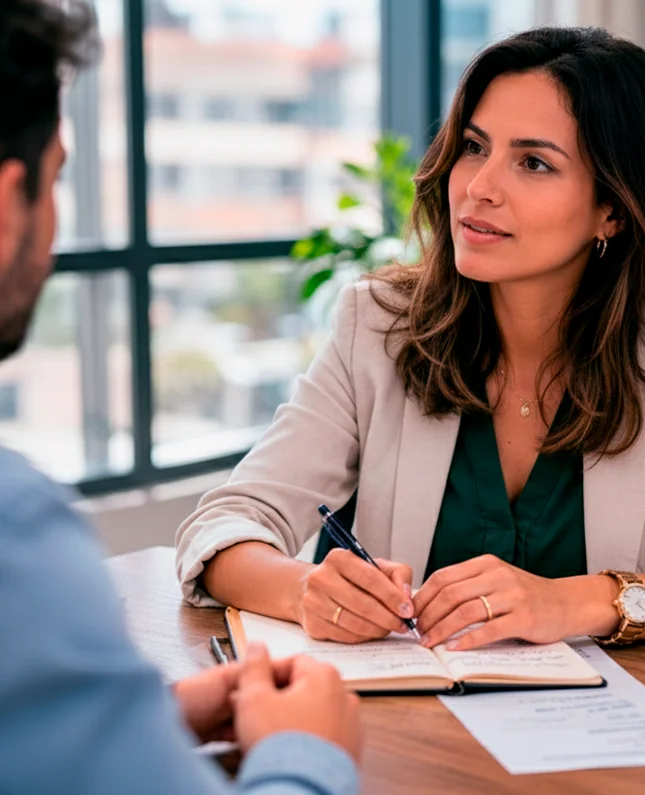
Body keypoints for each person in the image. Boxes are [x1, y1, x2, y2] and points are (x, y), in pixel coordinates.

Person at [177, 25, 645, 653]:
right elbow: (223, 526)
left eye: (533, 162)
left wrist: (579, 600)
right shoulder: (377, 328)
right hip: (408, 735)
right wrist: (305, 588)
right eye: (475, 147)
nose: (479, 186)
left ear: (611, 208)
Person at [0, 2, 362, 794]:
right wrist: (305, 753)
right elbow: (227, 515)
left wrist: (143, 719)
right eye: (60, 179)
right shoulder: (14, 527)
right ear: (5, 206)